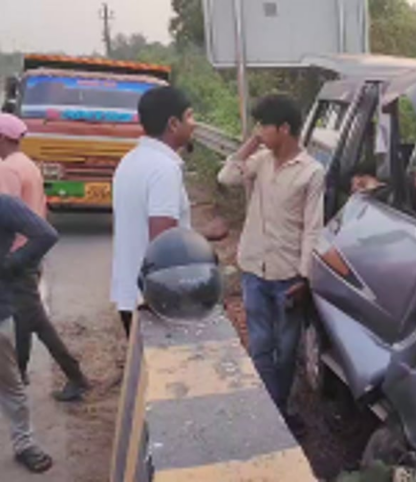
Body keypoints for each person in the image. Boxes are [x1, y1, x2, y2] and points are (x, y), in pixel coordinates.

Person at [217, 94, 323, 430]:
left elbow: (313, 229)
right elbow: (226, 177)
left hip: (288, 275)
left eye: (264, 126)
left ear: (284, 128)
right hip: (253, 268)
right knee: (261, 344)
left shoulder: (311, 172)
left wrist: (305, 278)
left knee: (287, 350)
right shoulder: (260, 161)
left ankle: (277, 408)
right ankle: (271, 415)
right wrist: (251, 143)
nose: (259, 131)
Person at [0, 113, 90, 401]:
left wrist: (11, 260)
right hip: (29, 254)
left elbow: (5, 215)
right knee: (28, 318)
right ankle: (24, 373)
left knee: (32, 319)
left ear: (2, 138)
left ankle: (74, 377)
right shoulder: (28, 165)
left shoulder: (7, 170)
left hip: (15, 256)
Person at [111, 86, 195, 336]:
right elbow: (162, 242)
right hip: (155, 300)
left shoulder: (130, 160)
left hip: (130, 293)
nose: (194, 124)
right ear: (173, 124)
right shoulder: (164, 169)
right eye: (189, 116)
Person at [0, 193, 58, 473]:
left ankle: (24, 443)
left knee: (10, 383)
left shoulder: (4, 205)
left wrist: (9, 264)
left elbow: (45, 234)